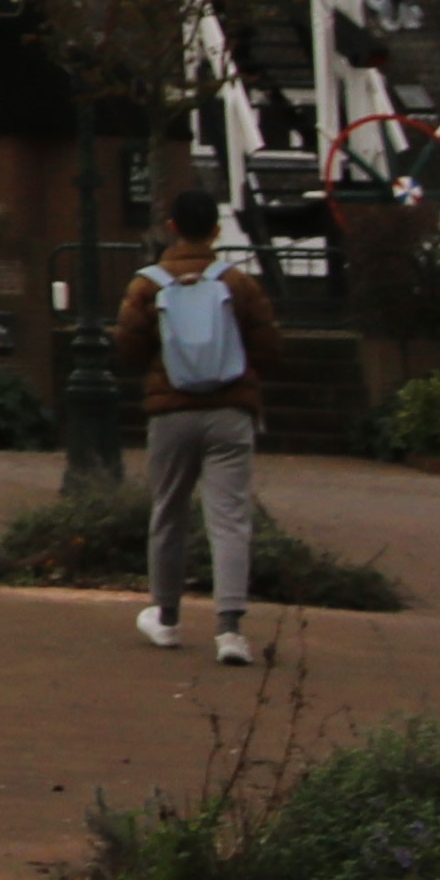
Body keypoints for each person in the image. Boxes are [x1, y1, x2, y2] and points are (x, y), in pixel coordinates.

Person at [113, 188, 283, 665]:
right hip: (230, 411)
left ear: (171, 227)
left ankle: (167, 619)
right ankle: (229, 631)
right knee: (229, 519)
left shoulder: (147, 285)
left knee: (168, 512)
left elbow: (128, 347)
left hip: (171, 413)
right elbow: (270, 346)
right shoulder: (238, 283)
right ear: (216, 229)